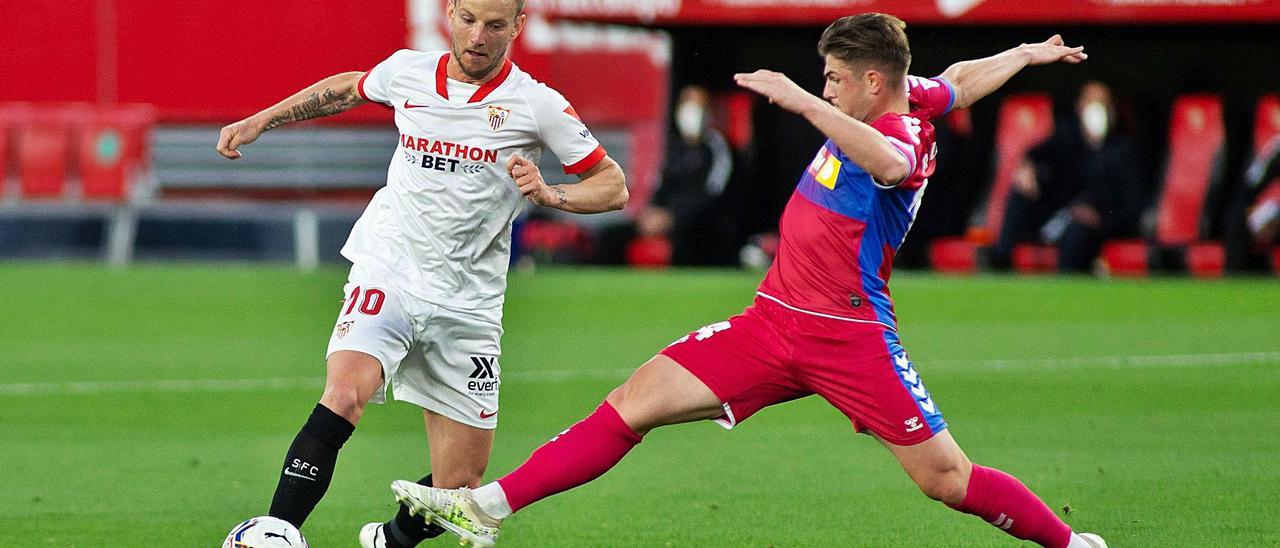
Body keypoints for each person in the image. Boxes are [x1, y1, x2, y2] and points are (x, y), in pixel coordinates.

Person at [391, 13, 1105, 548]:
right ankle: (486, 510)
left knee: (946, 480)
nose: (824, 86)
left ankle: (1074, 545)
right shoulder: (906, 98)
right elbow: (955, 83)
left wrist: (804, 103)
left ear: (871, 82)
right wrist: (1023, 53)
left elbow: (887, 167)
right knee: (633, 402)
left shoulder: (904, 137)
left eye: (833, 77)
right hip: (771, 322)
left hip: (849, 334)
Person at [214, 1, 628, 547]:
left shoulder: (537, 105)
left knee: (460, 487)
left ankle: (391, 539)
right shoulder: (409, 72)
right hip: (391, 269)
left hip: (470, 305)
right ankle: (275, 532)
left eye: (496, 25)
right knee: (344, 394)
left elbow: (613, 184)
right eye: (470, 19)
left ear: (518, 27)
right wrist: (262, 118)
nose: (480, 36)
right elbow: (348, 89)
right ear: (451, 13)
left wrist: (552, 194)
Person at [990, 81, 1146, 272]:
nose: (1095, 109)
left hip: (1094, 227)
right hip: (1056, 217)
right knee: (1020, 193)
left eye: (1102, 102)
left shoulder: (1123, 150)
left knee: (1077, 233)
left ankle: (1065, 286)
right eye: (1090, 101)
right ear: (1079, 106)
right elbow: (1034, 153)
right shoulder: (1065, 137)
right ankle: (1001, 261)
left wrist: (1101, 220)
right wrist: (1026, 168)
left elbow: (1133, 205)